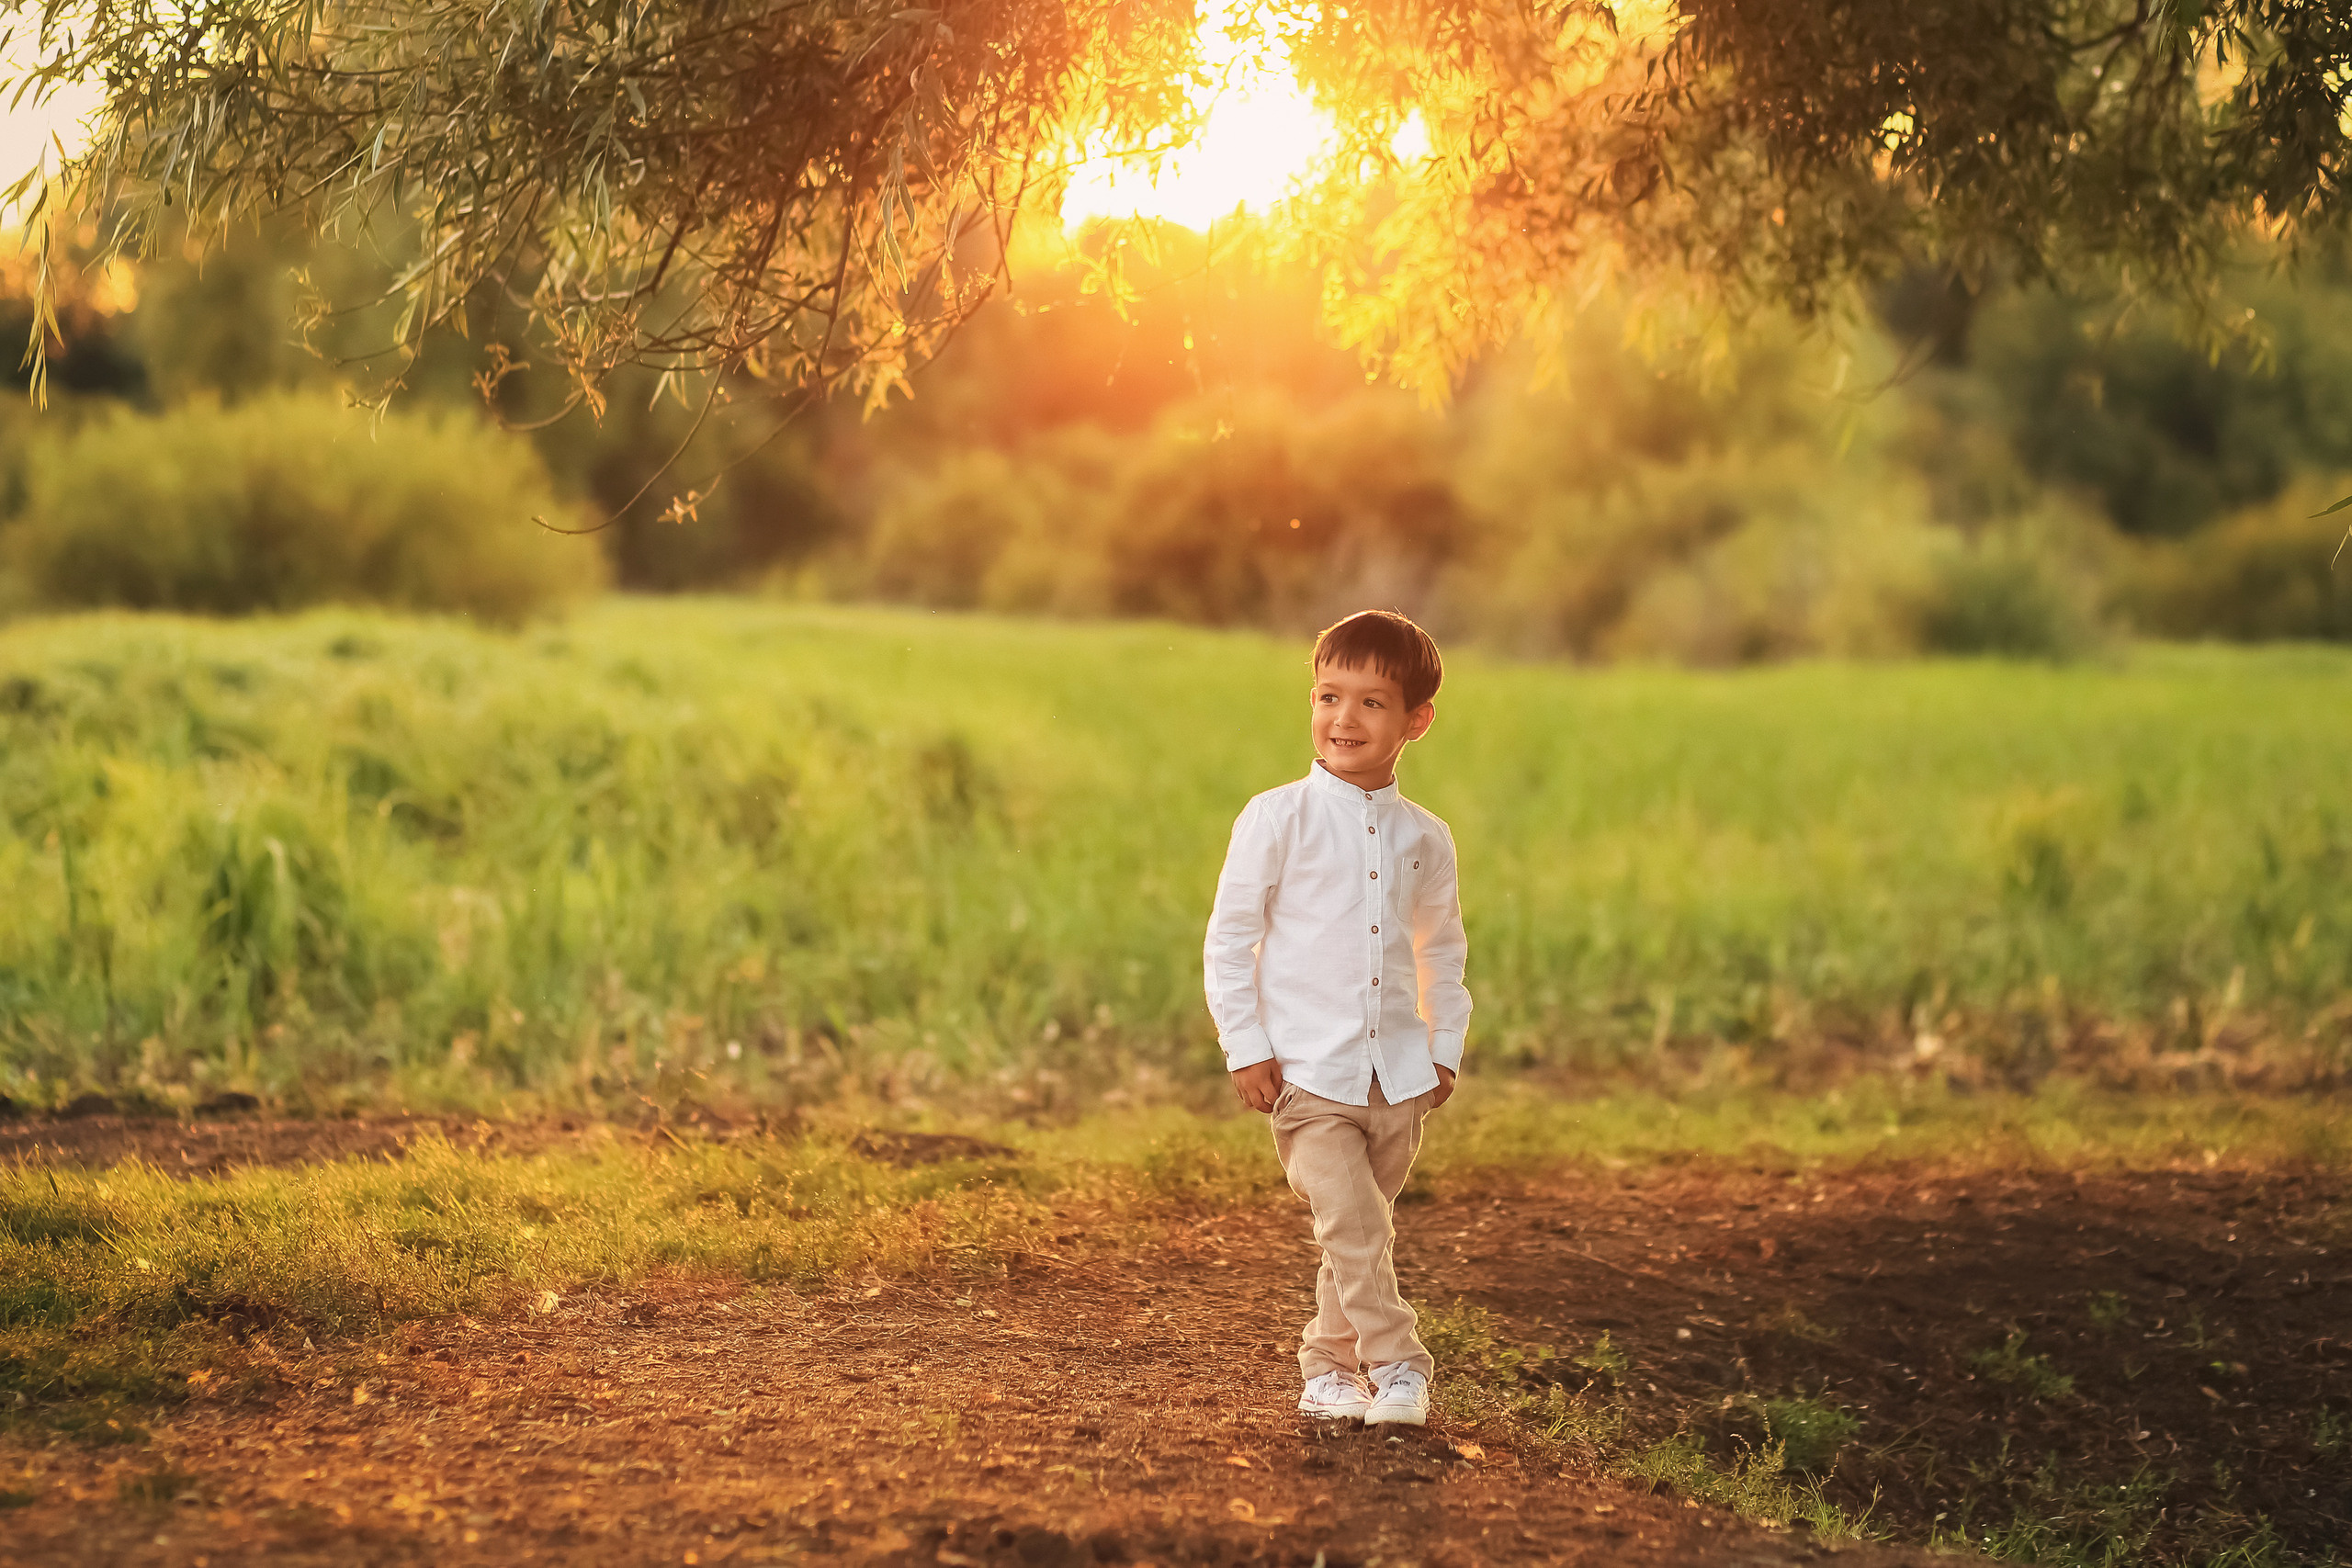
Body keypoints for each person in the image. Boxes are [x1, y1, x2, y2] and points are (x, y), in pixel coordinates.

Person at [1202, 609, 1471, 1427]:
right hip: (1307, 1073)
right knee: (1354, 1224)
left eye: (1372, 702)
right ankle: (1399, 1363)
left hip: (1398, 1077)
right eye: (1328, 695)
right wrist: (1245, 1045)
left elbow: (1441, 950)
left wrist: (1444, 1048)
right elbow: (1229, 940)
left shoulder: (1427, 838)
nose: (1344, 717)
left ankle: (1327, 1369)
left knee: (1355, 1233)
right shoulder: (1276, 817)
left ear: (1416, 720)